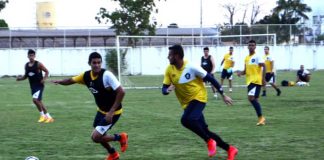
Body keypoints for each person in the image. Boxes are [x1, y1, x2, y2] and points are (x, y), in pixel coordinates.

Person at [162, 44, 238, 160]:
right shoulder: (169, 69)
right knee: (204, 130)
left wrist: (223, 94)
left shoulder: (191, 67)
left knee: (186, 120)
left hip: (199, 98)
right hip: (187, 104)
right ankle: (230, 149)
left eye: (170, 55)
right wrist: (167, 90)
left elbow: (211, 78)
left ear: (176, 56)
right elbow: (164, 89)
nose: (168, 58)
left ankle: (209, 141)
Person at [51, 52, 128, 160]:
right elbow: (71, 80)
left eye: (99, 62)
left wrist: (111, 112)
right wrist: (60, 81)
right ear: (89, 63)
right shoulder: (86, 76)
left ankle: (120, 137)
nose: (96, 65)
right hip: (101, 111)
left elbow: (122, 92)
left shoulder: (107, 75)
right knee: (101, 135)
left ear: (101, 63)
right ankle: (113, 154)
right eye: (94, 63)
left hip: (113, 112)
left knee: (96, 137)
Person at [16, 49, 54, 123]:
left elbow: (47, 71)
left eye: (32, 55)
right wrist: (19, 79)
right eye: (30, 55)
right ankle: (49, 117)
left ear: (35, 56)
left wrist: (44, 79)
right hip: (32, 86)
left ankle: (42, 116)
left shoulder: (38, 64)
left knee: (35, 100)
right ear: (27, 56)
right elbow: (25, 76)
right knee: (39, 101)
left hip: (39, 85)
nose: (31, 57)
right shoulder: (26, 65)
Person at [237, 40, 266, 126]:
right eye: (250, 45)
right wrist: (240, 73)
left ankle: (261, 118)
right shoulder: (246, 58)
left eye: (253, 45)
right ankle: (261, 119)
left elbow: (264, 66)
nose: (251, 47)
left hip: (256, 81)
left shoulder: (257, 56)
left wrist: (263, 78)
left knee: (250, 98)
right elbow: (245, 71)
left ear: (255, 47)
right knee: (255, 100)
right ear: (247, 47)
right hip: (249, 81)